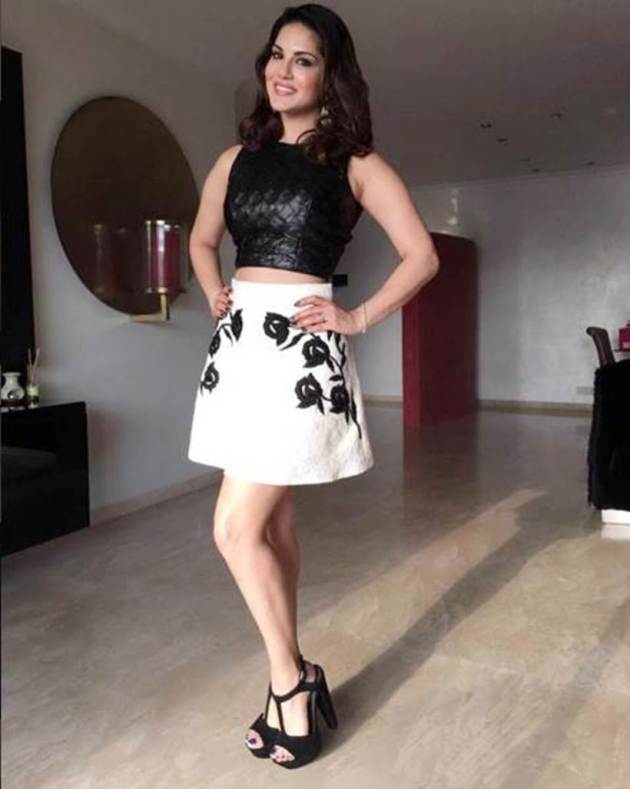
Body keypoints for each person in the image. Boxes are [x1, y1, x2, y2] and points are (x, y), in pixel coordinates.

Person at [187, 2, 439, 770]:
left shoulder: (356, 162)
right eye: (276, 54)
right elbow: (202, 239)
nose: (283, 70)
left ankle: (289, 682)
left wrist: (356, 317)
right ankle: (292, 674)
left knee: (235, 529)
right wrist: (215, 288)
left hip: (298, 354)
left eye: (303, 59)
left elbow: (422, 254)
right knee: (271, 525)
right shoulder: (235, 159)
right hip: (240, 353)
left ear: (331, 76)